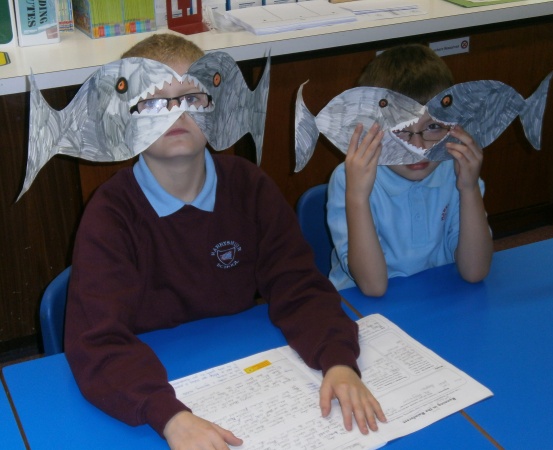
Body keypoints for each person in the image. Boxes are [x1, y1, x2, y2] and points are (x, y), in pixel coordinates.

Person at [64, 34, 385, 449]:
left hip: (243, 368)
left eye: (192, 98)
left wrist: (338, 361)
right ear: (126, 119)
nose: (177, 112)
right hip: (149, 383)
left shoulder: (249, 186)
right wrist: (169, 417)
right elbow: (96, 340)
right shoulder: (110, 214)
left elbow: (299, 286)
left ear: (216, 107)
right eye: (154, 101)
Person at [327, 44, 493, 296]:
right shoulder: (348, 178)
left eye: (433, 127)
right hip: (364, 307)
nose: (418, 148)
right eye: (400, 130)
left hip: (440, 298)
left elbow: (475, 271)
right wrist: (358, 197)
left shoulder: (456, 169)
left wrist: (469, 189)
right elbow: (373, 287)